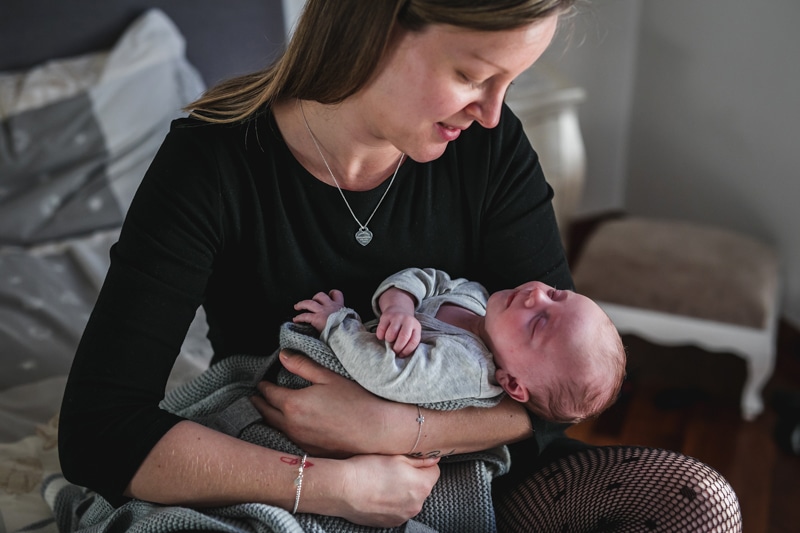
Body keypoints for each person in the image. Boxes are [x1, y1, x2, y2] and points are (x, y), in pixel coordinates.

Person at [58, 0, 741, 530]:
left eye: (510, 82)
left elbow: (561, 386)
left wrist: (398, 429)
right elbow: (98, 432)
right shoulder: (211, 164)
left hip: (477, 472)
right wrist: (332, 483)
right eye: (472, 75)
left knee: (700, 504)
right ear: (375, 25)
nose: (492, 111)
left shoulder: (489, 148)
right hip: (289, 479)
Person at [293, 267, 626, 424]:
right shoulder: (476, 297)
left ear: (511, 383)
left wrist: (337, 324)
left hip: (332, 390)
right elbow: (426, 278)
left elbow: (385, 374)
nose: (535, 295)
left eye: (539, 322)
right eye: (554, 294)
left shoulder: (468, 368)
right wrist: (399, 305)